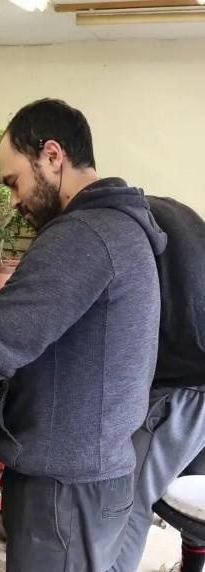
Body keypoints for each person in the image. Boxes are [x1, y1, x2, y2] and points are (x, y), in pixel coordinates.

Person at [0, 98, 167, 571]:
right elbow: (65, 346)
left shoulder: (84, 234)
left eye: (13, 181)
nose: (13, 200)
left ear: (52, 156)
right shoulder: (118, 228)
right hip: (89, 473)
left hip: (64, 487)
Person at [109, 196, 205, 572]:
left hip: (186, 384)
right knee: (193, 491)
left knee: (129, 498)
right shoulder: (167, 212)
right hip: (197, 375)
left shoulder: (111, 225)